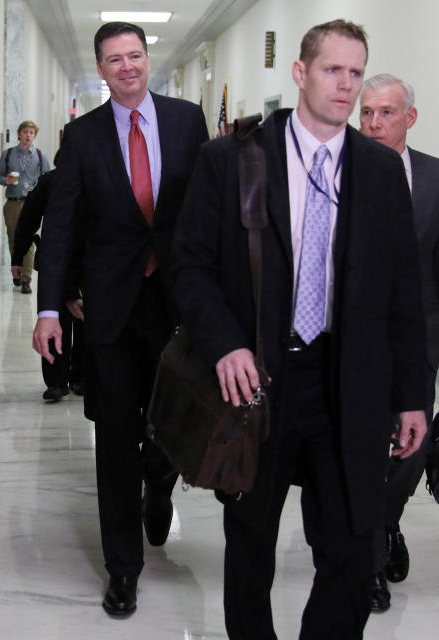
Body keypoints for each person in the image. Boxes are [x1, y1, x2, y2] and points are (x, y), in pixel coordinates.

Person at [173, 20, 431, 639]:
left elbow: (404, 292)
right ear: (300, 72)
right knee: (251, 543)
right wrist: (225, 344)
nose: (345, 87)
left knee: (349, 544)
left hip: (348, 383)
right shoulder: (234, 158)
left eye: (355, 73)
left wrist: (414, 395)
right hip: (260, 379)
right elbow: (189, 267)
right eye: (331, 70)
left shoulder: (378, 171)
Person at [32, 21, 208, 617]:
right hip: (108, 310)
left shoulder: (187, 121)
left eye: (135, 55)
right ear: (102, 69)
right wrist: (52, 305)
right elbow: (60, 225)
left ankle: (160, 483)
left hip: (176, 305)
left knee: (171, 425)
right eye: (115, 60)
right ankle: (122, 567)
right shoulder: (81, 136)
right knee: (114, 437)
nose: (127, 67)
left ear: (146, 59)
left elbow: (205, 216)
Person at [358, 73, 439, 611]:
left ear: (409, 118)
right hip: (354, 344)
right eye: (366, 113)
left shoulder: (434, 178)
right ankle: (366, 563)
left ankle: (387, 523)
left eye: (386, 113)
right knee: (360, 451)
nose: (373, 124)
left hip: (419, 343)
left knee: (411, 446)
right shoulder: (338, 169)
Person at [11, 161, 85, 403]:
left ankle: (80, 376)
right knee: (54, 318)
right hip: (56, 262)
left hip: (89, 262)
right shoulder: (50, 181)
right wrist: (18, 256)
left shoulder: (100, 178)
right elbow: (28, 220)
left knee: (85, 320)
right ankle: (56, 381)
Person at [0, 120, 50, 294]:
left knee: (29, 241)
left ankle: (26, 279)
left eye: (31, 132)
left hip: (32, 203)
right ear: (19, 134)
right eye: (25, 132)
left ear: (34, 136)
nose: (28, 135)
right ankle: (16, 270)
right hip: (13, 202)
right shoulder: (8, 154)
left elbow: (47, 179)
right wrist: (6, 181)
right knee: (13, 239)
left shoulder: (40, 156)